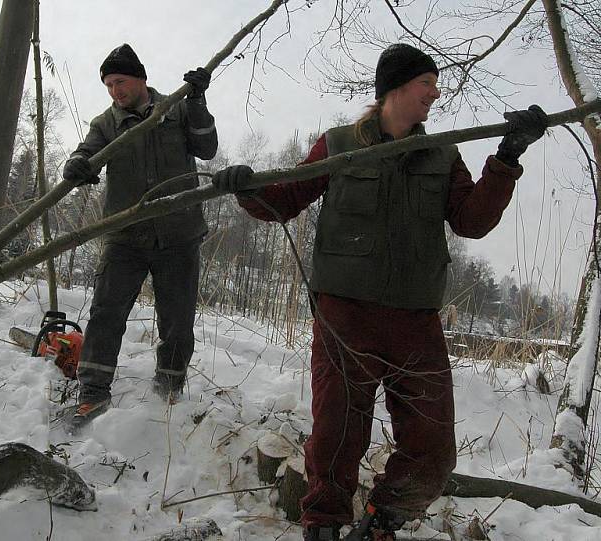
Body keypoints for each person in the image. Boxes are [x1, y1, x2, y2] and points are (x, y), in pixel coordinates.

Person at [211, 43, 546, 541]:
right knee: (336, 434)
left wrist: (507, 157)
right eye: (426, 83)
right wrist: (247, 187)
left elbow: (472, 221)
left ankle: (383, 519)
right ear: (395, 88)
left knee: (433, 446)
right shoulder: (339, 144)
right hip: (345, 316)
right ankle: (323, 524)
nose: (436, 92)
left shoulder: (442, 153)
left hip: (416, 321)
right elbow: (283, 203)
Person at [62, 44, 218, 428]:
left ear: (141, 78)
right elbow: (86, 153)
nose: (115, 91)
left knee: (177, 321)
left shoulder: (176, 109)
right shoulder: (106, 124)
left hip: (178, 235)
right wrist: (76, 165)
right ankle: (93, 392)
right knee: (106, 313)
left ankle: (169, 391)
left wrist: (197, 100)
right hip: (125, 237)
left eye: (121, 82)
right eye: (109, 85)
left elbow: (208, 148)